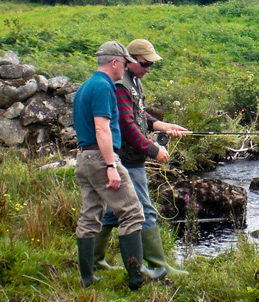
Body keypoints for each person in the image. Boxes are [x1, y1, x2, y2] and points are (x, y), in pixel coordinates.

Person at [72, 41, 166, 290]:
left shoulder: (85, 86)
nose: (126, 67)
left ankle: (87, 277)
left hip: (83, 158)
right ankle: (137, 277)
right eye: (124, 63)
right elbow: (102, 128)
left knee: (91, 215)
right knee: (133, 213)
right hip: (102, 158)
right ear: (114, 62)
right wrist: (111, 165)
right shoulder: (105, 87)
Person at [93, 39, 189, 275]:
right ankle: (159, 265)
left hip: (128, 158)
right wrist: (153, 149)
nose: (148, 69)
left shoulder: (134, 82)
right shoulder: (120, 86)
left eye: (151, 65)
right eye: (145, 64)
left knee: (111, 212)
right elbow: (125, 126)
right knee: (145, 210)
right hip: (126, 159)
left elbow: (139, 116)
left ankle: (95, 260)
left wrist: (163, 126)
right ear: (131, 61)